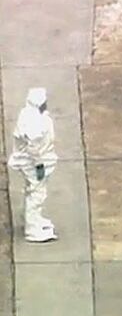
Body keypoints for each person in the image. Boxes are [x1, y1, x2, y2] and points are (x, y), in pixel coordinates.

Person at [7, 88, 58, 243]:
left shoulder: (30, 115)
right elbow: (33, 148)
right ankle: (32, 228)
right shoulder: (34, 122)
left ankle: (34, 219)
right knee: (37, 193)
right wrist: (39, 165)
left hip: (37, 160)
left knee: (34, 191)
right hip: (34, 163)